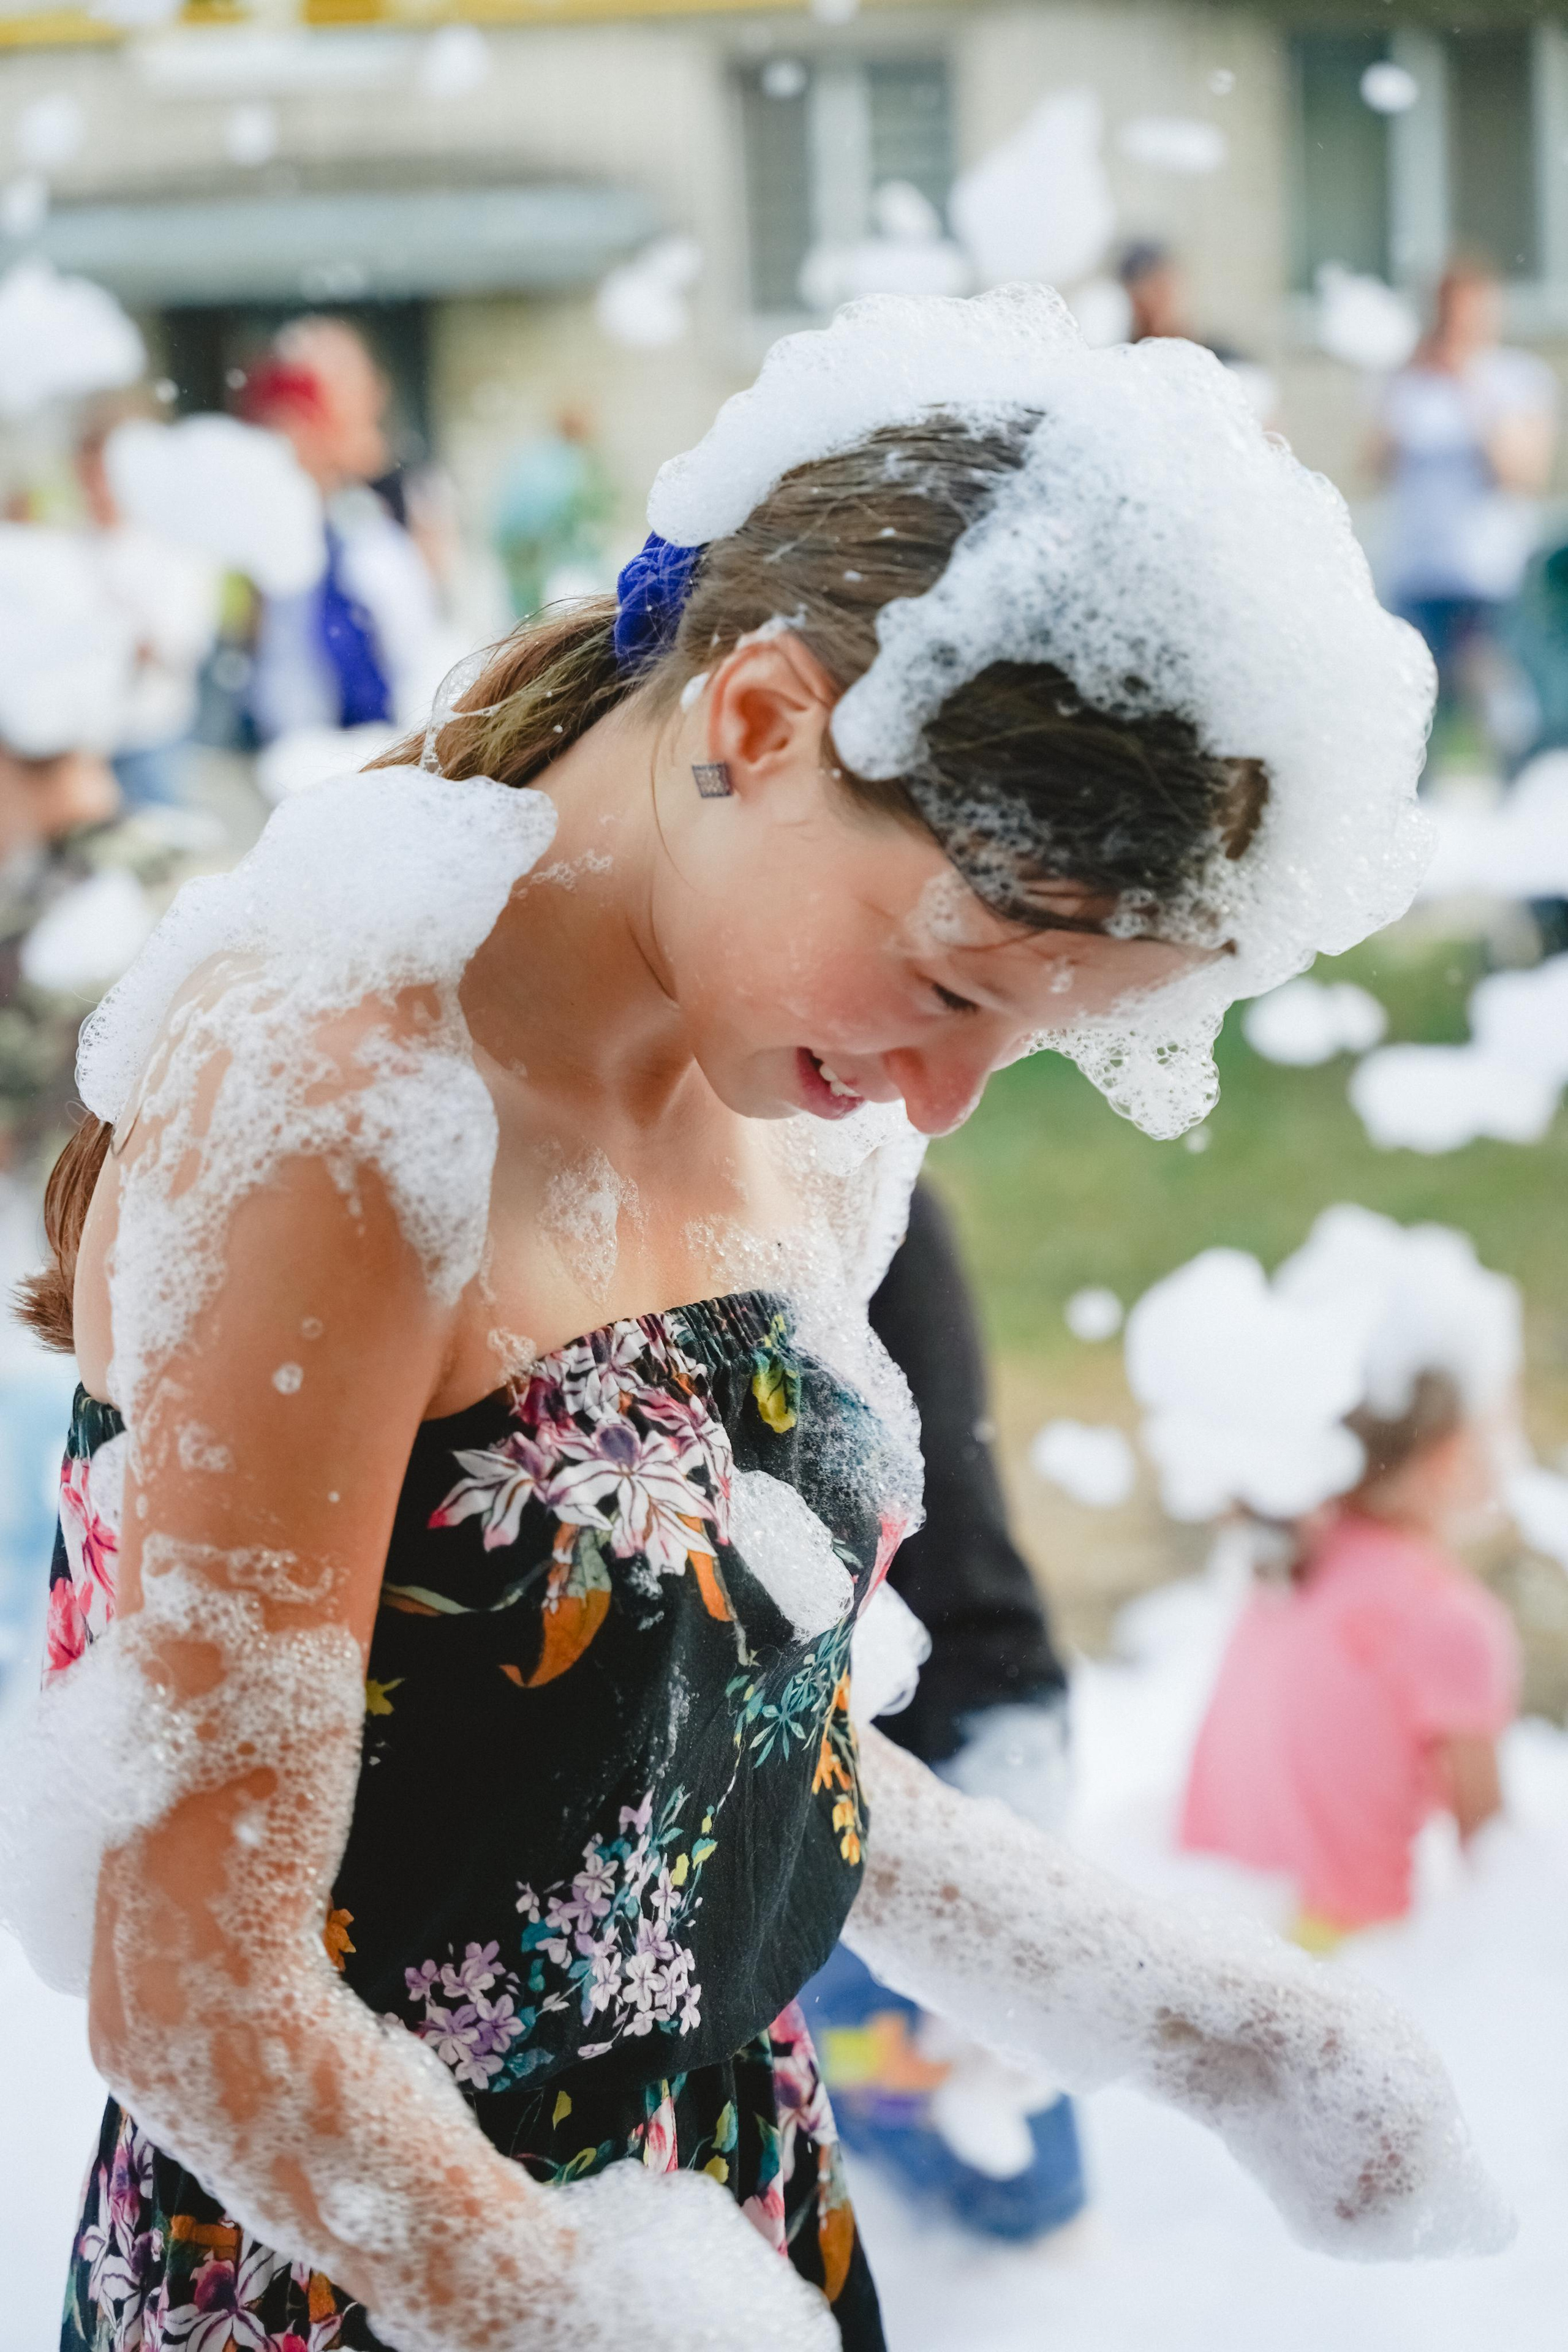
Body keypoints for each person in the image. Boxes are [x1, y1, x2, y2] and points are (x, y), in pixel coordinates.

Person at [7, 291, 1502, 2352]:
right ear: (761, 723)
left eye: (1032, 1035)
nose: (946, 1102)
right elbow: (194, 1999)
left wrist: (1223, 2025)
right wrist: (592, 2316)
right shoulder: (339, 1114)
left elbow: (731, 1762)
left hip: (722, 2203)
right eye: (955, 986)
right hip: (376, 2261)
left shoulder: (798, 1113)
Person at [803, 1181, 1085, 2242]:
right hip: (780, 1796)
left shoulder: (866, 1199)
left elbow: (957, 1526)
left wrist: (1006, 1783)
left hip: (930, 1759)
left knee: (1024, 2197)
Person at [1180, 1213, 1521, 1945]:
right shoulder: (1450, 1621)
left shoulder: (1285, 1557)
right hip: (1337, 1962)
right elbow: (1495, 1864)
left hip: (1198, 1921)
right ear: (1449, 1456)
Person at [1376, 258, 1558, 748]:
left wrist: (1468, 386)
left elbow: (1520, 475)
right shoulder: (1408, 379)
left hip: (1489, 571)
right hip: (1417, 570)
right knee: (1414, 711)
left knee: (1496, 700)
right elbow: (1375, 463)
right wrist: (1402, 382)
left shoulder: (1517, 377)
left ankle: (1514, 778)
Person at [240, 316, 443, 742]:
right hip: (303, 724)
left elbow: (421, 619)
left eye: (342, 379)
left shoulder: (407, 492)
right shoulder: (282, 504)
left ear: (374, 388)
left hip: (387, 717)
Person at [73, 393, 222, 815]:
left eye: (106, 472)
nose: (97, 485)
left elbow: (181, 644)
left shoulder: (174, 548)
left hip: (151, 738)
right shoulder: (73, 543)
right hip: (84, 746)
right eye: (89, 470)